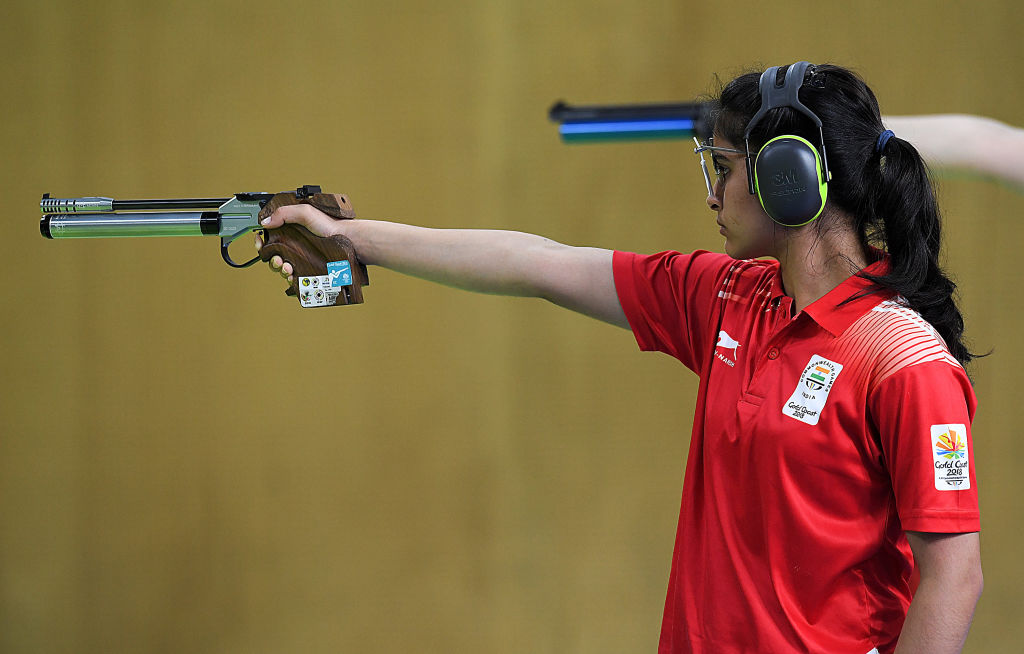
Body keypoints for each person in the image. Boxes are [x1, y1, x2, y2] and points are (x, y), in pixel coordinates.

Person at [256, 63, 983, 654]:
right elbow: (535, 263)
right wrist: (350, 239)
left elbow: (954, 578)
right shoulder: (728, 296)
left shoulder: (903, 360)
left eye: (725, 168)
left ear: (784, 175)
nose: (713, 194)